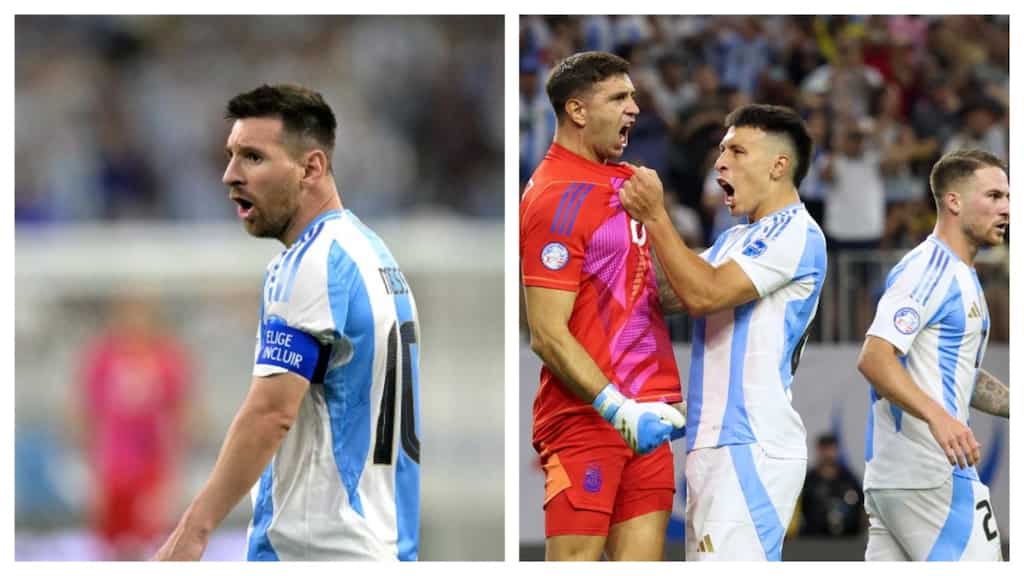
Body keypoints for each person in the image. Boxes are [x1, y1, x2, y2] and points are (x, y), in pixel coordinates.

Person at [153, 84, 420, 561]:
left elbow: (271, 413)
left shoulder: (311, 264)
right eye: (231, 156)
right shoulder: (373, 255)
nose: (230, 175)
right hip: (381, 546)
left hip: (318, 549)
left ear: (311, 168)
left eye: (253, 157)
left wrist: (192, 531)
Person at [619, 103, 827, 561]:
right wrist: (617, 234)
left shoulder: (796, 232)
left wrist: (656, 217)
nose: (720, 163)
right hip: (715, 443)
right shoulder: (736, 238)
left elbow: (703, 294)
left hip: (751, 444)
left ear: (778, 165)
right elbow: (668, 292)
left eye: (737, 151)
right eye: (721, 151)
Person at [520, 51, 685, 561]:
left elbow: (662, 291)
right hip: (587, 418)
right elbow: (546, 333)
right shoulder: (555, 196)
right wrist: (618, 409)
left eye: (632, 97)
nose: (634, 108)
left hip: (648, 417)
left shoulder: (630, 185)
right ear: (577, 110)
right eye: (618, 98)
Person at [856, 149, 1009, 561]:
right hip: (933, 472)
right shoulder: (931, 269)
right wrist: (940, 418)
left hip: (897, 476)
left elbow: (954, 374)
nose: (1007, 209)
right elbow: (875, 357)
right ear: (954, 201)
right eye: (994, 196)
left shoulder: (960, 273)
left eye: (1008, 197)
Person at [78, 293, 192, 560]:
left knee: (151, 545)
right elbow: (87, 415)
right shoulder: (103, 359)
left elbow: (181, 416)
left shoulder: (166, 360)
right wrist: (90, 470)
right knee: (110, 547)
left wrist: (174, 474)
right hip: (112, 467)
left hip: (151, 467)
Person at [799, 434, 864, 537]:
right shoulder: (808, 480)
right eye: (824, 449)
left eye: (831, 449)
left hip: (848, 539)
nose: (828, 454)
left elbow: (863, 507)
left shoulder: (849, 478)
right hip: (814, 539)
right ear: (818, 451)